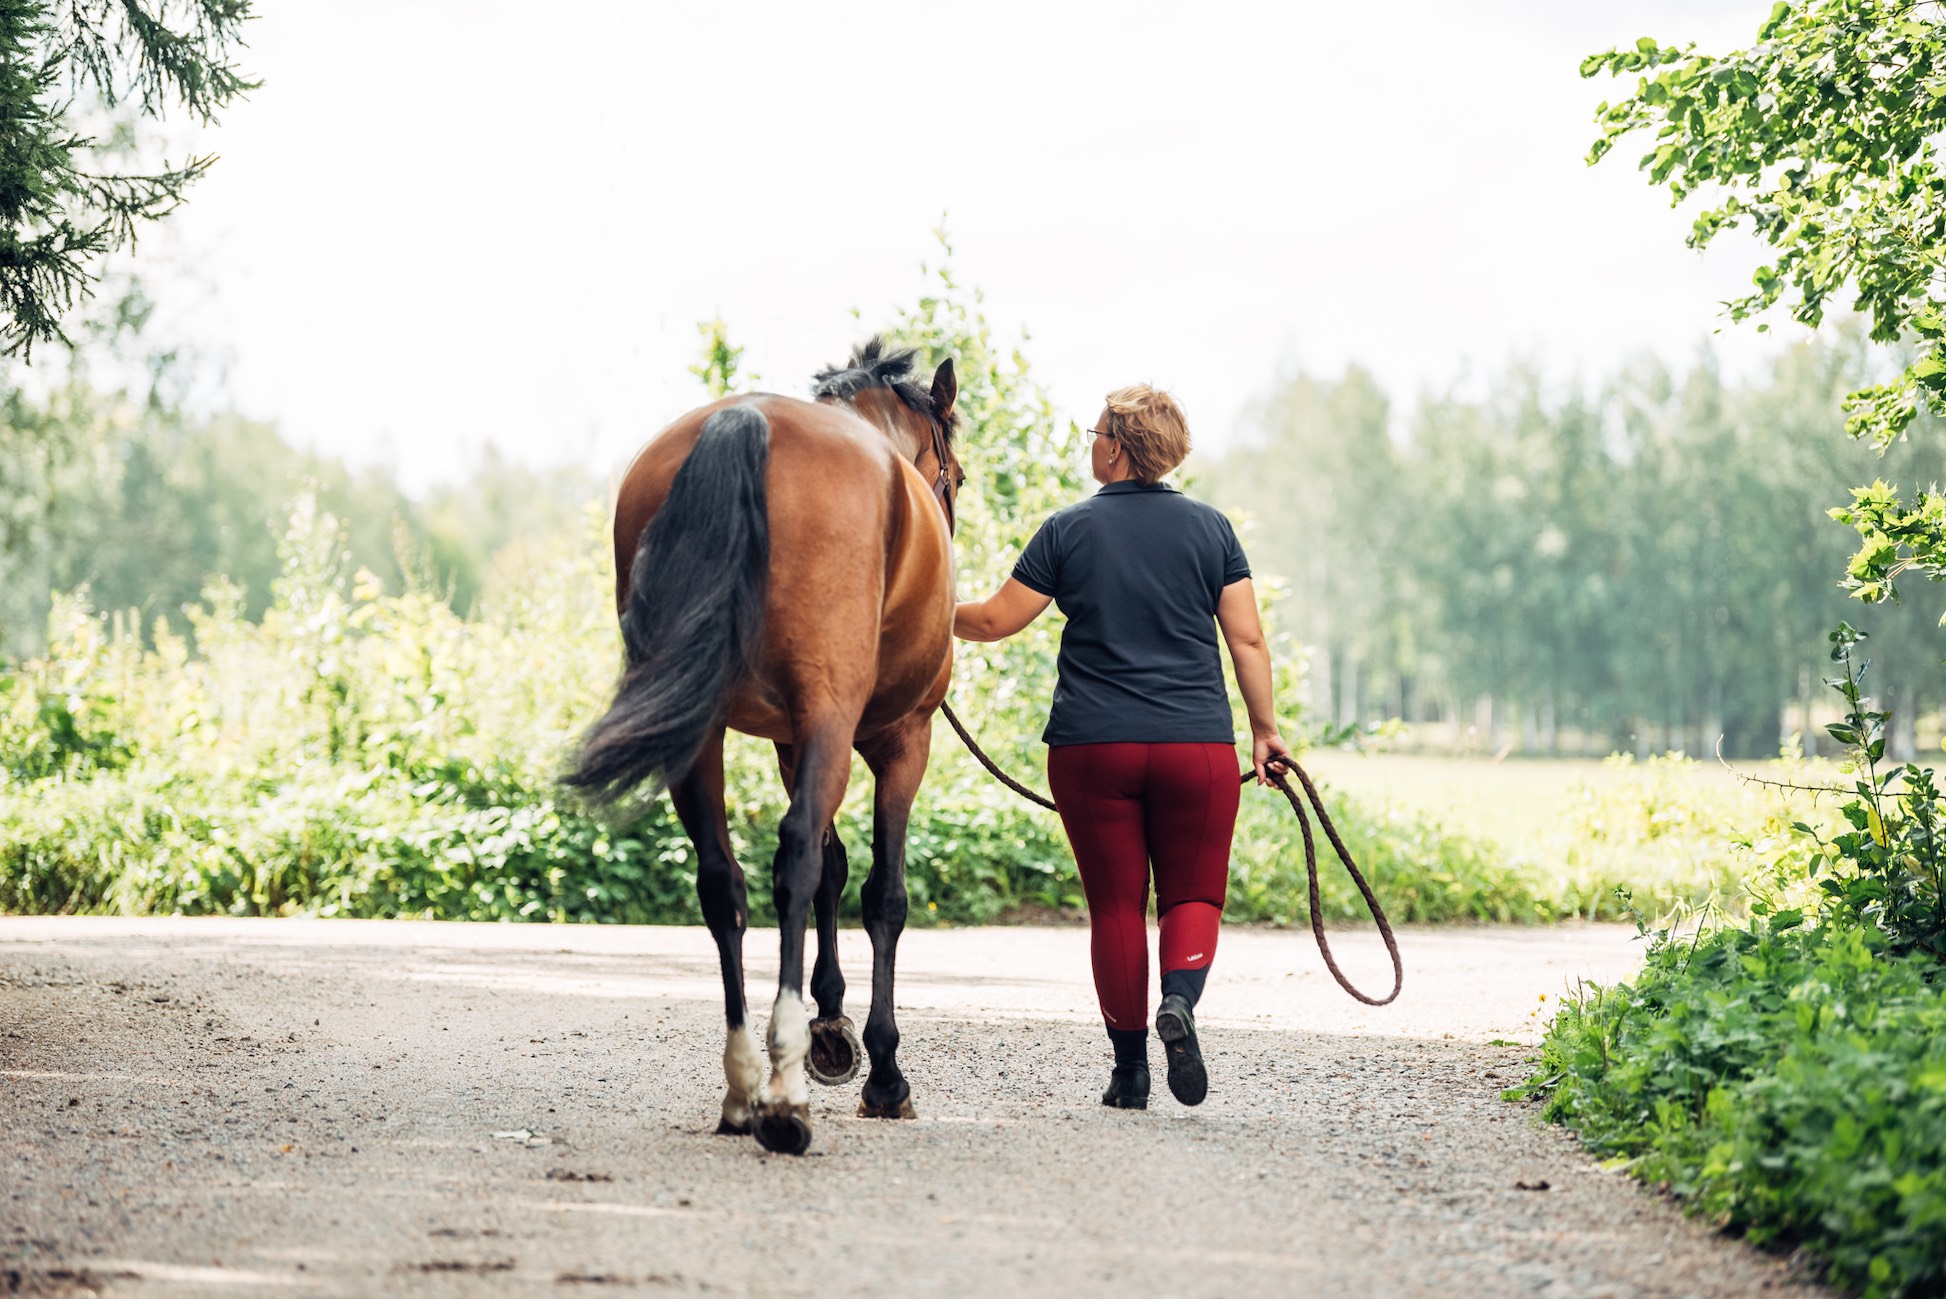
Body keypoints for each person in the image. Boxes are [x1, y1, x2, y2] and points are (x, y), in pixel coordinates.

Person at [953, 384, 1292, 1110]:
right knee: (1193, 892)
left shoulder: (1066, 530)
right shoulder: (1212, 530)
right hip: (1194, 745)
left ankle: (1130, 1072)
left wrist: (908, 610)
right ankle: (1179, 1000)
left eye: (1096, 431)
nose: (1090, 440)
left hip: (1092, 748)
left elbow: (989, 621)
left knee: (1114, 905)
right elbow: (1248, 639)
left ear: (1116, 444)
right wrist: (1266, 731)